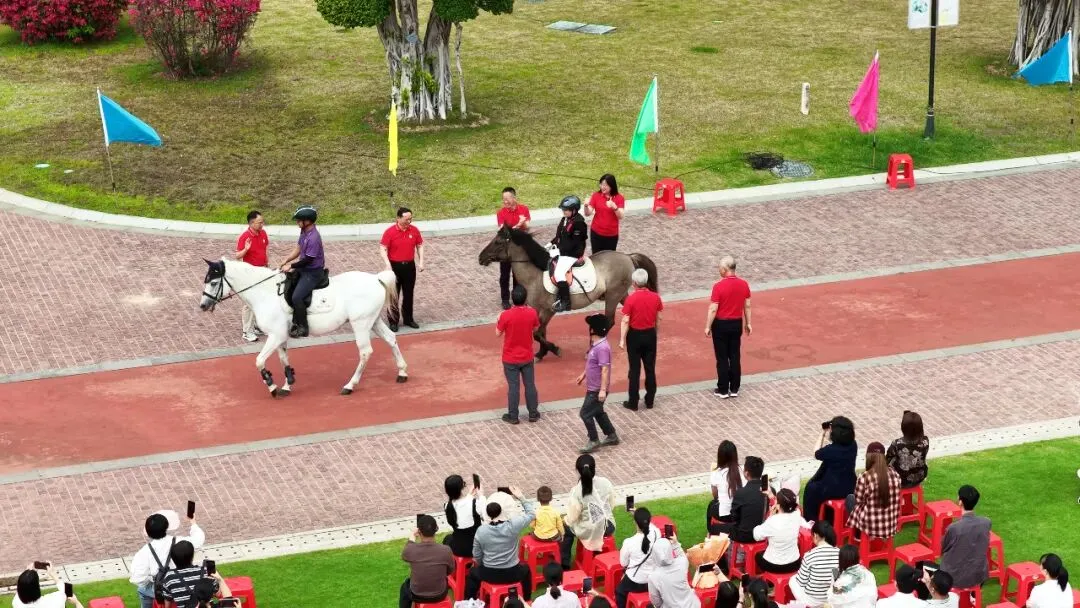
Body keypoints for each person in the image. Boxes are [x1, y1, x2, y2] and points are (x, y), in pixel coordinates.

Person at [466, 486, 536, 600]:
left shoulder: (481, 531)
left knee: (472, 573)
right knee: (526, 569)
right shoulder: (513, 525)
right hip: (513, 572)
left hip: (489, 573)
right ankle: (526, 600)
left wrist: (483, 564)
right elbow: (531, 513)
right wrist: (521, 497)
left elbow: (476, 556)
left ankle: (469, 602)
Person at [130, 509, 206, 608]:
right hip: (183, 583)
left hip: (161, 590)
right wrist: (193, 522)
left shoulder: (143, 553)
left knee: (142, 590)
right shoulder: (180, 542)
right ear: (166, 527)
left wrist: (153, 579)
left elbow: (138, 578)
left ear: (148, 532)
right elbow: (199, 539)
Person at [704, 255, 752, 398]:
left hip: (721, 324)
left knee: (722, 357)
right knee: (735, 355)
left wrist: (707, 326)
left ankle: (723, 388)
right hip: (736, 323)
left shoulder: (718, 286)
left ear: (724, 269)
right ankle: (735, 387)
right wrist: (748, 322)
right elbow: (747, 305)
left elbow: (713, 308)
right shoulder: (743, 284)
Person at [560, 454, 617, 570]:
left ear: (577, 471)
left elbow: (572, 518)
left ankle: (564, 564)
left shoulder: (576, 491)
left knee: (565, 528)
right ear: (594, 468)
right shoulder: (606, 482)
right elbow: (612, 505)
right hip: (608, 526)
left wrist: (563, 520)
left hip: (588, 530)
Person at [619, 268, 663, 411]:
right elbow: (658, 317)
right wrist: (655, 331)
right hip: (650, 334)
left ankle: (633, 402)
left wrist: (621, 339)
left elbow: (625, 320)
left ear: (634, 283)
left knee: (634, 370)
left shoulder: (631, 299)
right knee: (650, 368)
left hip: (635, 336)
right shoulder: (656, 297)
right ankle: (650, 400)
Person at [277, 205, 325, 338]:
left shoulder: (314, 237)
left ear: (307, 221)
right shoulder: (304, 232)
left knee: (296, 297)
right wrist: (286, 259)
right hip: (304, 269)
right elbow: (298, 248)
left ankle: (303, 327)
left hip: (313, 272)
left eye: (299, 220)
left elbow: (308, 260)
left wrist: (291, 266)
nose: (297, 222)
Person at [802, 416, 858, 526]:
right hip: (850, 486)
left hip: (832, 489)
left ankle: (811, 521)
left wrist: (823, 433)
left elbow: (816, 453)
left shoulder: (831, 450)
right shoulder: (853, 445)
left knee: (810, 488)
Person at [576, 314, 620, 453]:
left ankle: (594, 439)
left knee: (585, 414)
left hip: (596, 389)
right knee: (598, 412)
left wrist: (602, 390)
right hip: (593, 386)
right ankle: (611, 435)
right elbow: (591, 363)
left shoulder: (602, 348)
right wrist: (584, 374)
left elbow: (605, 369)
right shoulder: (596, 345)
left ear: (593, 330)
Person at [497, 284, 541, 424]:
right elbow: (536, 328)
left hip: (510, 357)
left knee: (513, 387)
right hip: (527, 355)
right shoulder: (532, 312)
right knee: (530, 385)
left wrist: (499, 318)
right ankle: (533, 413)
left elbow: (498, 333)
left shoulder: (506, 315)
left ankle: (513, 416)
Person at [380, 206, 424, 331]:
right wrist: (387, 264)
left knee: (409, 294)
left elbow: (419, 245)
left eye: (410, 219)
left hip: (409, 266)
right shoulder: (390, 232)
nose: (409, 222)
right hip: (395, 267)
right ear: (398, 218)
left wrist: (421, 262)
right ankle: (393, 321)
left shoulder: (414, 230)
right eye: (406, 219)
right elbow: (383, 248)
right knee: (394, 295)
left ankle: (408, 319)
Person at [939, 485, 991, 590]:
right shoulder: (986, 522)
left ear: (960, 502)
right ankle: (972, 596)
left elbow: (943, 547)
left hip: (955, 577)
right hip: (978, 574)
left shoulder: (954, 528)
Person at [846, 441, 902, 540]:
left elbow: (858, 501)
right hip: (890, 524)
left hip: (871, 526)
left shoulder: (865, 476)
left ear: (869, 456)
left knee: (850, 499)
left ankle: (859, 534)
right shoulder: (895, 474)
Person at [400, 514, 455, 608]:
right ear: (436, 529)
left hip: (418, 595)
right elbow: (450, 570)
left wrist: (412, 536)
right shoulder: (446, 550)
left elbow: (404, 554)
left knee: (404, 587)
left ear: (419, 531)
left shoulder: (412, 550)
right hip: (440, 594)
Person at [160, 541, 232, 608]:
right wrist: (220, 580)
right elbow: (218, 594)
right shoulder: (205, 572)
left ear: (173, 559)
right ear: (192, 557)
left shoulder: (169, 577)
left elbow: (167, 601)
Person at [753, 488, 807, 573]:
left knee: (757, 555)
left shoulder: (773, 521)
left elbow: (756, 535)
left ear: (778, 505)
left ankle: (769, 581)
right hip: (794, 563)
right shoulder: (797, 514)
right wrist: (772, 496)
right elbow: (787, 504)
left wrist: (770, 516)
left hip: (774, 565)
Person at [234, 210, 268, 342]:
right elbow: (237, 256)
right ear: (252, 223)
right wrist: (246, 249)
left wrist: (267, 264)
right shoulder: (244, 237)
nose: (262, 224)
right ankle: (247, 331)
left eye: (262, 222)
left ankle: (256, 326)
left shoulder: (263, 233)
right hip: (250, 275)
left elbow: (265, 250)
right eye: (260, 222)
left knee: (260, 300)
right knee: (250, 303)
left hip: (262, 272)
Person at [550, 195, 588, 312]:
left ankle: (566, 301)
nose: (564, 212)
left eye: (566, 210)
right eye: (563, 210)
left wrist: (558, 250)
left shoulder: (579, 223)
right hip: (564, 250)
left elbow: (574, 244)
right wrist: (550, 244)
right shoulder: (564, 219)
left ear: (574, 210)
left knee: (559, 273)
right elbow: (559, 236)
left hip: (573, 254)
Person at [616, 507, 660, 608]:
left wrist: (636, 515)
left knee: (619, 592)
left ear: (635, 523)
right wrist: (637, 514)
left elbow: (623, 563)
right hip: (653, 581)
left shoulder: (629, 542)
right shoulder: (657, 533)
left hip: (636, 582)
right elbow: (651, 527)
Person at [789, 521, 841, 607]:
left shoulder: (809, 555)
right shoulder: (839, 553)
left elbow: (801, 582)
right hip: (831, 598)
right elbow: (837, 577)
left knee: (793, 580)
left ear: (815, 536)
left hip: (812, 600)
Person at [497, 187, 531, 309]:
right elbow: (504, 232)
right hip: (506, 249)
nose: (505, 202)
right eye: (503, 199)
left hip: (520, 249)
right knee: (504, 275)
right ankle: (505, 299)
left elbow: (527, 227)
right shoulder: (501, 213)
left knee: (518, 274)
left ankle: (518, 297)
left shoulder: (524, 209)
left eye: (507, 199)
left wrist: (524, 222)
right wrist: (518, 224)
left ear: (514, 198)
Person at [647, 536, 701, 608]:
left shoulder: (653, 576)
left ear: (654, 553)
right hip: (692, 605)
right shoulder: (682, 563)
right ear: (670, 550)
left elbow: (656, 602)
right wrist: (675, 543)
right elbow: (681, 554)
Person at [442, 474, 486, 558]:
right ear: (463, 486)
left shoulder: (447, 506)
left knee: (447, 538)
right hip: (477, 548)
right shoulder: (474, 504)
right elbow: (486, 514)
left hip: (458, 548)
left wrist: (469, 495)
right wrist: (481, 495)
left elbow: (461, 505)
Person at [707, 440, 745, 536]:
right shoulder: (743, 471)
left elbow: (715, 496)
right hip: (740, 513)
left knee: (711, 505)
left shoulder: (716, 473)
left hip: (725, 515)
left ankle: (710, 530)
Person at [729, 456, 768, 543]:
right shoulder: (770, 491)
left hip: (746, 536)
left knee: (720, 527)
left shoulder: (741, 493)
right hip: (765, 533)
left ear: (746, 473)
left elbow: (734, 517)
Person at [887, 411, 930, 489]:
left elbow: (887, 459)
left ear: (903, 427)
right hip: (919, 477)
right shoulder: (925, 441)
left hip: (901, 480)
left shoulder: (897, 444)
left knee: (890, 461)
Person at [584, 174, 625, 253]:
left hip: (611, 235)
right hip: (596, 233)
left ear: (612, 185)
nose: (603, 187)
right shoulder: (596, 196)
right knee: (596, 256)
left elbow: (621, 216)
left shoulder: (619, 198)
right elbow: (588, 213)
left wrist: (614, 207)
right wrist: (586, 206)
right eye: (601, 184)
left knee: (609, 258)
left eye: (605, 185)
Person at [13, 564, 84, 608]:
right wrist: (54, 574)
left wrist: (27, 574)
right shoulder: (55, 599)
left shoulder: (16, 602)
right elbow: (69, 590)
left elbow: (23, 587)